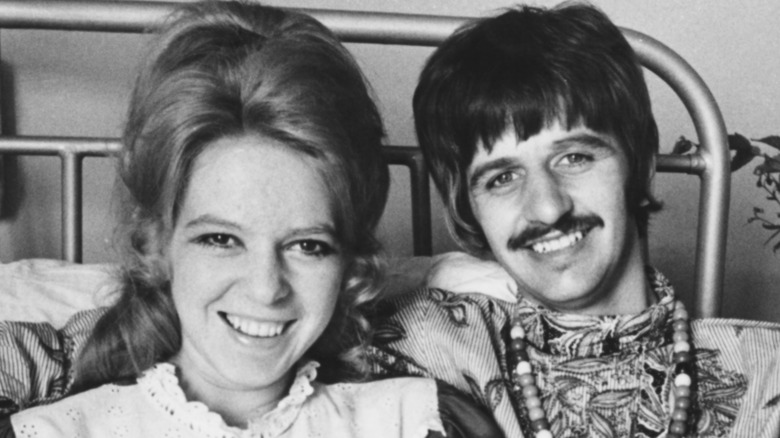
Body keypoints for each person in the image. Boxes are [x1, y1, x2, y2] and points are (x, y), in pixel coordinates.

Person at [0, 2, 502, 436]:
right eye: (220, 239)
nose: (266, 289)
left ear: (350, 265)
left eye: (308, 245)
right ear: (154, 245)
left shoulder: (418, 422)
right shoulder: (53, 432)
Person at [367, 3, 780, 438]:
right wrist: (429, 270)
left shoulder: (767, 376)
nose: (547, 207)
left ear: (638, 165)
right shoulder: (412, 346)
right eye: (502, 177)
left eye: (574, 157)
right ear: (466, 207)